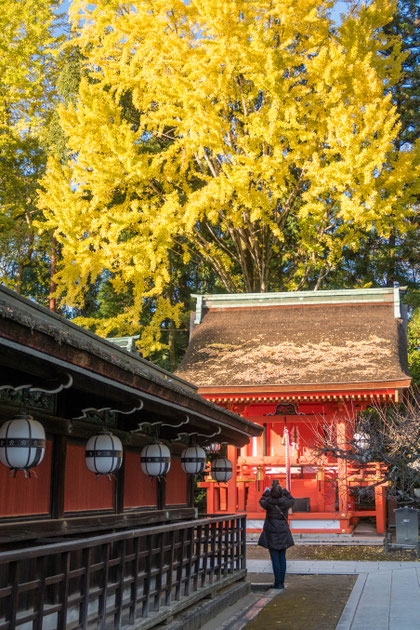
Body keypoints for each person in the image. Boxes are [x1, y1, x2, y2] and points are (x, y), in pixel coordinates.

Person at [258, 482, 295, 589]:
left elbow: (261, 501)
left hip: (271, 534)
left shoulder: (268, 503)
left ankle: (277, 582)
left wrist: (266, 492)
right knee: (282, 558)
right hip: (283, 532)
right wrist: (284, 491)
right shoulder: (286, 503)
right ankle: (281, 582)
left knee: (275, 559)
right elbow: (292, 499)